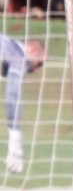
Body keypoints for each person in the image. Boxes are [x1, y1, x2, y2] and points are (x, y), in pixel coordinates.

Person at [2, 35, 46, 174]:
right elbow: (12, 96)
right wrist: (14, 141)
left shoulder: (7, 47)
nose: (35, 70)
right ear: (30, 49)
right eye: (39, 64)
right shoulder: (18, 55)